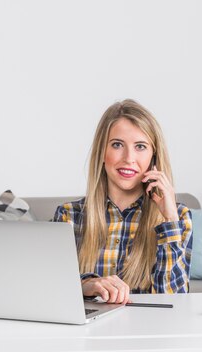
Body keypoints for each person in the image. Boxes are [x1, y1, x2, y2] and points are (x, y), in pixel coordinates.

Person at [53, 99, 193, 304]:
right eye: (117, 145)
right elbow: (53, 292)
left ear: (153, 156)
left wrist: (170, 220)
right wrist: (87, 285)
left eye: (140, 146)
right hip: (85, 333)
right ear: (102, 152)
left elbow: (175, 301)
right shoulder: (69, 216)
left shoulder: (178, 218)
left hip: (148, 331)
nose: (129, 158)